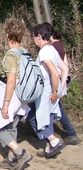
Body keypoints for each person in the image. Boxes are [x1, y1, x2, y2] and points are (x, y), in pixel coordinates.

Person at [0, 18, 32, 170]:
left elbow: (11, 80)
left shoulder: (11, 55)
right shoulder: (25, 52)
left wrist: (5, 103)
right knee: (11, 126)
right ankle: (11, 159)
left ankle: (21, 153)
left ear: (7, 35)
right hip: (22, 95)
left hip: (11, 94)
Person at [27, 23, 69, 159]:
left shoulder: (44, 51)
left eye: (33, 36)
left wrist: (56, 91)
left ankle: (54, 141)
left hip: (46, 91)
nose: (33, 39)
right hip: (52, 91)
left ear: (39, 36)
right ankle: (48, 147)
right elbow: (65, 69)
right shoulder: (52, 49)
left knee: (36, 118)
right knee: (47, 119)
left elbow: (54, 73)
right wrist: (60, 89)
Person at [50, 29, 80, 145]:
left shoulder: (54, 47)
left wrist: (60, 86)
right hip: (60, 79)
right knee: (55, 107)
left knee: (57, 108)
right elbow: (65, 64)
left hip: (56, 80)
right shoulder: (60, 45)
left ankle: (71, 133)